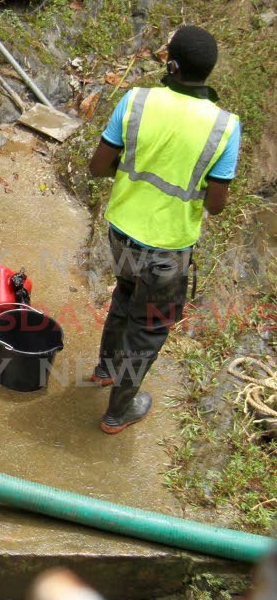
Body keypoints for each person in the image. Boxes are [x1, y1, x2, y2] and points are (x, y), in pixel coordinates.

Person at [88, 25, 240, 434]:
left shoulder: (136, 100)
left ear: (170, 64)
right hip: (168, 251)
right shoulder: (225, 126)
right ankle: (120, 409)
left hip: (121, 232)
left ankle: (105, 369)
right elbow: (217, 205)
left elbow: (98, 167)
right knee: (149, 328)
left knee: (124, 294)